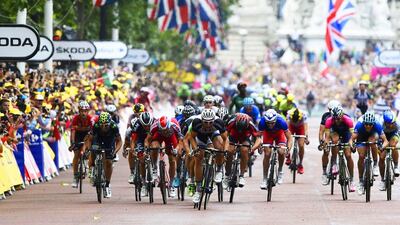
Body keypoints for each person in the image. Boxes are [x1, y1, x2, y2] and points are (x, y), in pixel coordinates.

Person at [183, 109, 227, 203]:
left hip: (213, 134)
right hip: (200, 136)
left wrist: (224, 152)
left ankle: (218, 169)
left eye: (210, 122)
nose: (208, 124)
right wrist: (195, 150)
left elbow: (226, 139)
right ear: (202, 120)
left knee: (219, 148)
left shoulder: (218, 122)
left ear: (213, 120)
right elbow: (190, 137)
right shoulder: (196, 122)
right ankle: (198, 189)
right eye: (205, 122)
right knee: (199, 157)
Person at [85, 112, 122, 198]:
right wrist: (89, 148)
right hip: (98, 140)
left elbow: (119, 141)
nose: (104, 127)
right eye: (102, 125)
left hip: (109, 141)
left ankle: (107, 185)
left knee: (109, 162)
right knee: (93, 151)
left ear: (110, 123)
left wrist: (115, 152)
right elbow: (89, 139)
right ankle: (91, 168)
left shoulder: (114, 126)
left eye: (106, 125)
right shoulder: (96, 125)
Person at [145, 115, 183, 198]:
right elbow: (148, 140)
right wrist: (147, 148)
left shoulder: (174, 125)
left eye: (166, 130)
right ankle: (154, 168)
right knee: (154, 147)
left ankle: (171, 184)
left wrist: (176, 149)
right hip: (158, 136)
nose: (165, 132)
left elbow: (180, 141)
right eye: (163, 130)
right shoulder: (155, 126)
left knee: (172, 160)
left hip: (171, 137)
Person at [352, 111, 388, 195]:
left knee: (372, 142)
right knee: (361, 156)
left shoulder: (377, 125)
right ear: (364, 123)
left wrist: (382, 147)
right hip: (361, 137)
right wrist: (351, 146)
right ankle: (361, 181)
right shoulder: (359, 125)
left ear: (373, 124)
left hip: (373, 135)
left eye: (370, 125)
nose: (368, 126)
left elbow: (385, 141)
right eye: (366, 124)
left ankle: (375, 164)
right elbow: (351, 139)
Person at [323, 106, 356, 192]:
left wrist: (351, 144)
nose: (337, 121)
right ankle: (334, 163)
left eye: (338, 119)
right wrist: (326, 144)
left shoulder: (348, 120)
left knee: (348, 155)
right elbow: (327, 137)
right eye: (335, 119)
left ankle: (352, 180)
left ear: (342, 116)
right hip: (334, 132)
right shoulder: (329, 121)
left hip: (346, 133)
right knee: (335, 141)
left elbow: (352, 136)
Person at [258, 109, 292, 188]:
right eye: (268, 123)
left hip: (279, 134)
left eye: (272, 123)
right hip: (268, 135)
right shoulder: (262, 122)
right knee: (267, 154)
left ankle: (280, 171)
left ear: (275, 120)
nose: (270, 125)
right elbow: (258, 137)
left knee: (281, 151)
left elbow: (289, 138)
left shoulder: (281, 122)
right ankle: (264, 179)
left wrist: (288, 148)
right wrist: (260, 145)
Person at [225, 113, 261, 187]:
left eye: (242, 128)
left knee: (244, 150)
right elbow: (225, 136)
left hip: (245, 137)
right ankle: (227, 175)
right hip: (233, 135)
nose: (240, 130)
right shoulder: (231, 122)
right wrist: (226, 147)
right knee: (230, 151)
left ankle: (241, 175)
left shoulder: (251, 124)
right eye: (239, 128)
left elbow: (258, 139)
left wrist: (252, 149)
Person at [69, 101, 92, 188]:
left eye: (85, 111)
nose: (83, 113)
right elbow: (73, 131)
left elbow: (92, 132)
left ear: (88, 111)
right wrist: (73, 142)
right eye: (82, 111)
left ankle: (88, 165)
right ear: (79, 111)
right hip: (78, 136)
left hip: (86, 136)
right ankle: (75, 177)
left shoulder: (90, 119)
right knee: (76, 155)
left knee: (89, 150)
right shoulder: (76, 118)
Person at [130, 112, 154, 196]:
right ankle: (143, 183)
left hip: (152, 137)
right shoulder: (137, 125)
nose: (147, 127)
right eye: (145, 126)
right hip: (140, 138)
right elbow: (133, 140)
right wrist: (132, 149)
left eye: (148, 126)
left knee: (154, 150)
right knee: (142, 160)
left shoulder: (154, 122)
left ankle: (155, 170)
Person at [318, 100, 340, 185]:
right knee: (326, 151)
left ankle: (335, 162)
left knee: (336, 143)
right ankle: (324, 171)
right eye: (330, 110)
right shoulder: (325, 116)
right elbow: (321, 131)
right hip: (328, 132)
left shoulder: (341, 114)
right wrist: (321, 142)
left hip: (337, 133)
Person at [378, 110, 400, 191]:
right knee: (381, 158)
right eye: (388, 123)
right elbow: (378, 138)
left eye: (392, 123)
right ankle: (383, 180)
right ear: (384, 122)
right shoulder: (380, 123)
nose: (390, 125)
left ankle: (396, 166)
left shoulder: (397, 123)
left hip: (393, 134)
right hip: (383, 136)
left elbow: (398, 135)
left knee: (393, 145)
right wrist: (380, 146)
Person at [286, 108, 309, 174]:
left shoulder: (303, 115)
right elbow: (286, 128)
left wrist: (306, 137)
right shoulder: (289, 114)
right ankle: (288, 155)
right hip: (291, 127)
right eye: (294, 120)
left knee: (301, 145)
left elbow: (306, 128)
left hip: (300, 128)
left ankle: (300, 164)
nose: (295, 121)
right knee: (287, 139)